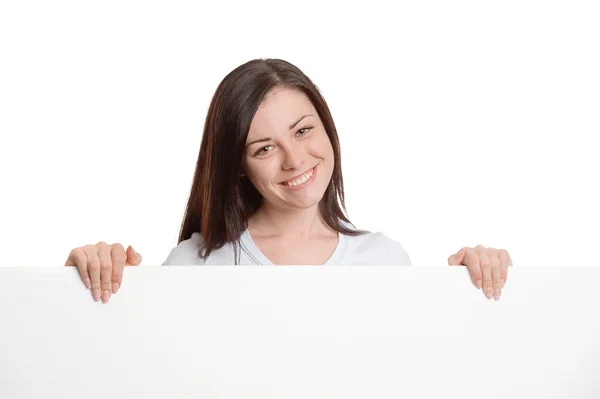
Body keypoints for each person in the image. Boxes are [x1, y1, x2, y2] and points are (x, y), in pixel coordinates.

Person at [65, 58, 513, 304]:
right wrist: (82, 283)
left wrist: (468, 293)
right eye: (264, 147)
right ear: (238, 165)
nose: (295, 159)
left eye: (303, 130)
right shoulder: (195, 265)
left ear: (327, 126)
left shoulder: (385, 259)